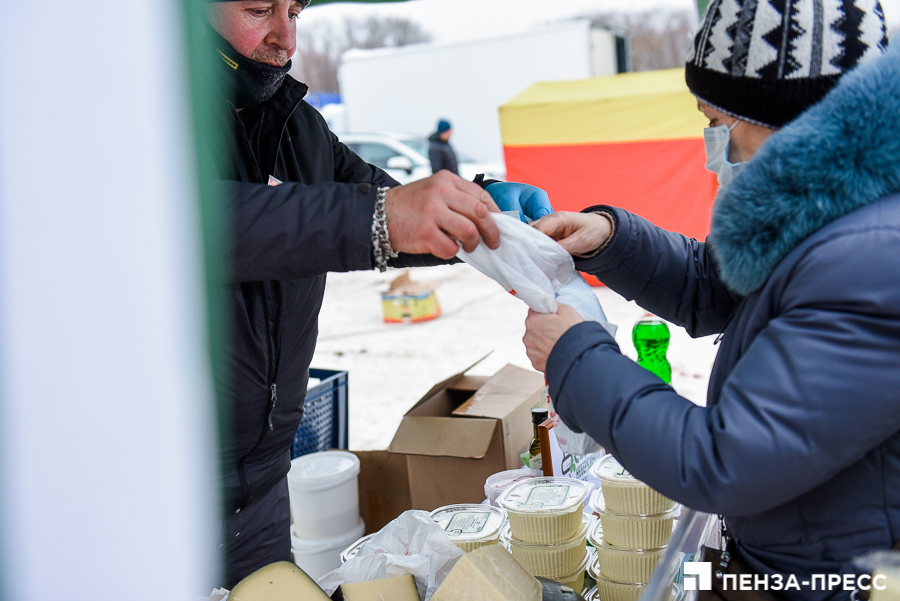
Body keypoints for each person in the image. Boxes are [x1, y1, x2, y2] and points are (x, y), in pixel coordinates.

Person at [520, 1, 898, 599]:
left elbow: (724, 463)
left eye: (717, 121)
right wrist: (612, 240)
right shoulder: (835, 210)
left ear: (783, 118)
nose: (711, 144)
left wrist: (574, 355)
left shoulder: (874, 260)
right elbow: (723, 288)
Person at [202, 0, 551, 586]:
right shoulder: (145, 120)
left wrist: (477, 211)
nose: (285, 37)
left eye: (295, 10)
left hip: (261, 481)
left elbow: (383, 199)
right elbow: (212, 225)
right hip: (155, 490)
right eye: (259, 8)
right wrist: (385, 215)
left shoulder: (296, 126)